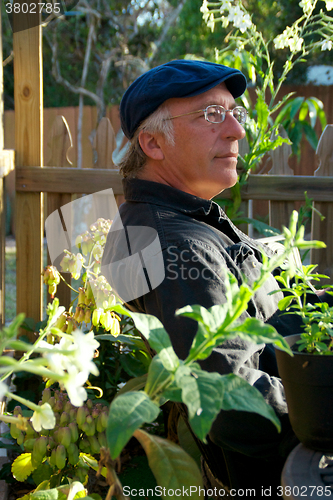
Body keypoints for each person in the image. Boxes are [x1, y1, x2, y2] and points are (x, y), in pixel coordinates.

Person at [101, 60, 317, 496]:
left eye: (235, 113)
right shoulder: (177, 244)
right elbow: (230, 406)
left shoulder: (183, 219)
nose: (237, 131)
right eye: (212, 114)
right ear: (153, 143)